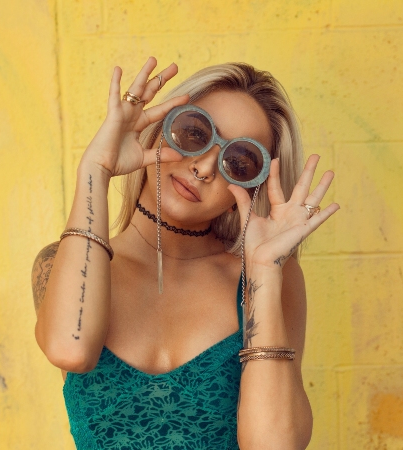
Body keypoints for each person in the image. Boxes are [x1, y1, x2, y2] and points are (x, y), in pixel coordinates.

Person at [31, 57, 339, 450]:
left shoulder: (269, 276)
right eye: (195, 133)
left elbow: (274, 446)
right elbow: (70, 348)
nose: (206, 167)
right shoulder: (60, 264)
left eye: (239, 162)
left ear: (247, 192)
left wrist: (263, 272)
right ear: (158, 129)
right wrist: (96, 168)